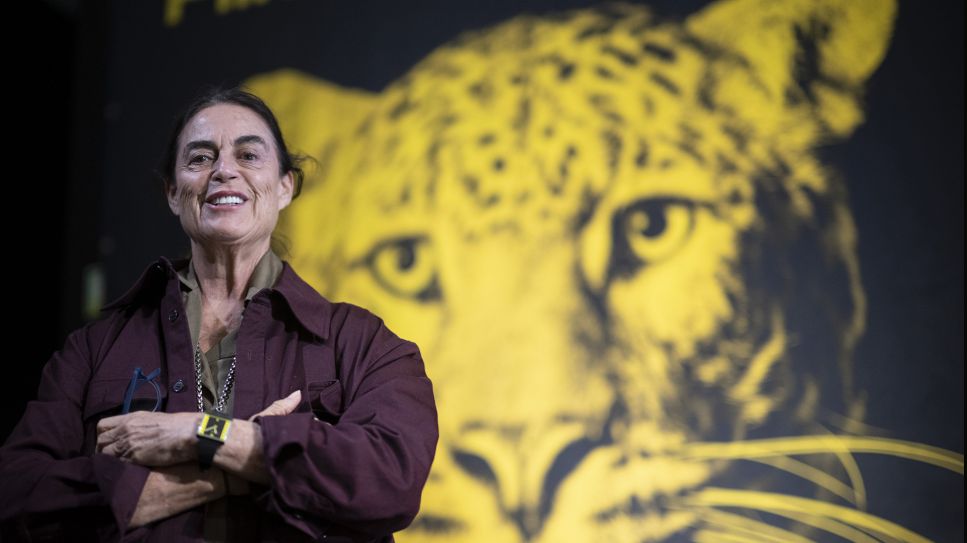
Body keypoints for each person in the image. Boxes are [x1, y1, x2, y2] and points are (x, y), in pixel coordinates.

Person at [0, 87, 438, 542]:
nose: (224, 170)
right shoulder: (92, 349)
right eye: (199, 158)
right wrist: (245, 464)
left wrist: (197, 432)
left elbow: (390, 480)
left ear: (285, 186)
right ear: (173, 193)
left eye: (249, 155)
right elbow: (16, 495)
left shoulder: (365, 344)